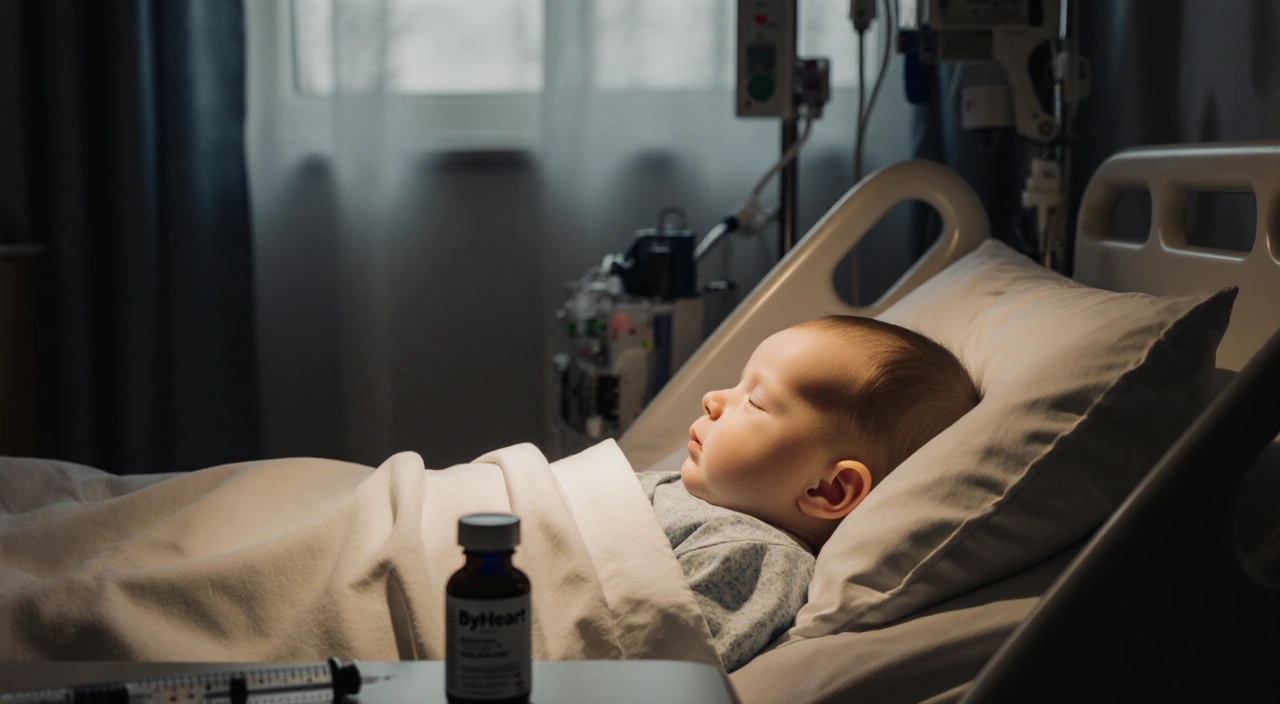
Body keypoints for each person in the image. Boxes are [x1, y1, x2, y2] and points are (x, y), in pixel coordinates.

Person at [638, 315, 980, 671]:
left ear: (827, 490)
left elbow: (656, 670)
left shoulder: (755, 560)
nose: (712, 399)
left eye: (754, 400)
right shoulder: (709, 501)